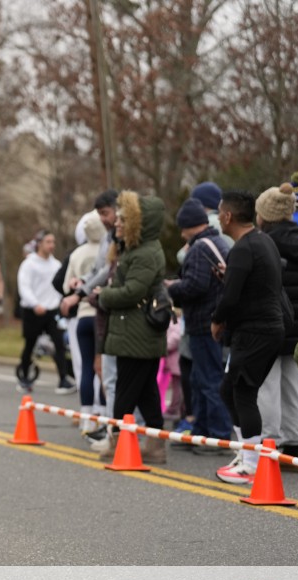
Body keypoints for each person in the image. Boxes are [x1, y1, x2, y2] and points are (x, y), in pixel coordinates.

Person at [219, 184, 298, 483]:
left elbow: (242, 290)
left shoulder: (260, 241)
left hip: (263, 323)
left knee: (258, 390)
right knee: (292, 385)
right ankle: (291, 444)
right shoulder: (296, 239)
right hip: (292, 324)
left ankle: (262, 449)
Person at [209, 189, 285, 482]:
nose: (218, 217)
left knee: (242, 392)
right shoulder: (263, 241)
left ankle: (251, 465)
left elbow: (230, 297)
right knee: (230, 390)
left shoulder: (242, 248)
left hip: (255, 330)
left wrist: (217, 320)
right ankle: (246, 454)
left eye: (219, 212)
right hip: (267, 328)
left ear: (228, 216)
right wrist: (231, 275)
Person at [97, 191, 168, 464]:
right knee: (146, 391)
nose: (117, 223)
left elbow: (132, 292)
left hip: (136, 333)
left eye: (123, 219)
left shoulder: (145, 254)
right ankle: (155, 445)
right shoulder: (139, 250)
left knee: (126, 392)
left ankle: (118, 443)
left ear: (139, 223)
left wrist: (104, 295)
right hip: (136, 332)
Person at [164, 198, 232, 450]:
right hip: (210, 321)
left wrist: (172, 288)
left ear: (189, 225)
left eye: (182, 227)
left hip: (205, 323)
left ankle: (217, 435)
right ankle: (202, 432)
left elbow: (196, 285)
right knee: (201, 379)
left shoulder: (200, 248)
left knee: (209, 380)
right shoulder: (215, 242)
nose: (181, 233)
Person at [63, 211, 106, 441]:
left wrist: (75, 287)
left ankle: (86, 416)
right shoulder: (107, 251)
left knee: (87, 368)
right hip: (101, 314)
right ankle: (104, 415)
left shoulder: (76, 254)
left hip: (82, 315)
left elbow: (65, 286)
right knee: (104, 368)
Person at [16, 231, 74, 393]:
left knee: (59, 345)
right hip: (33, 310)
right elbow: (24, 287)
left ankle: (63, 379)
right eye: (48, 242)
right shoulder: (29, 264)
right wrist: (35, 304)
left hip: (52, 311)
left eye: (53, 242)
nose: (52, 245)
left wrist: (60, 303)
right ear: (39, 243)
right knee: (30, 345)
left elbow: (60, 286)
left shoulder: (56, 264)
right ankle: (24, 378)